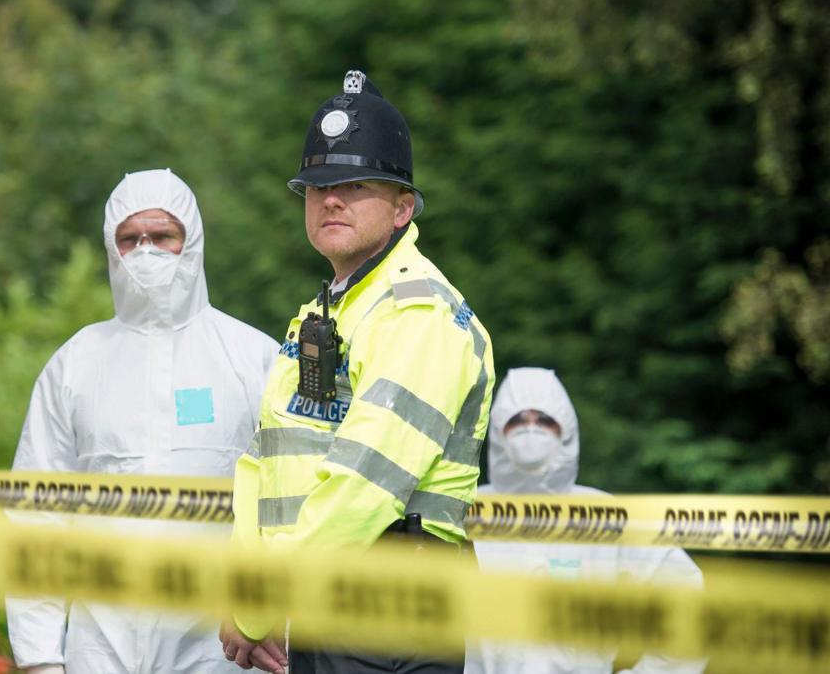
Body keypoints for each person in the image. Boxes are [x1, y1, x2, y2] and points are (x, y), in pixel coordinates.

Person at [220, 70, 495, 674]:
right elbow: (263, 461)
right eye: (316, 188)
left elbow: (366, 481)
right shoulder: (329, 310)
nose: (330, 200)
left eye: (354, 184)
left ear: (403, 208)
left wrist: (262, 602)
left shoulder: (419, 311)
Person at [6, 168, 278, 674]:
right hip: (100, 646)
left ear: (191, 241)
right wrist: (40, 656)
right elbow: (36, 517)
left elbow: (291, 506)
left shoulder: (254, 358)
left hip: (224, 647)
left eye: (162, 236)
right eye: (129, 239)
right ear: (111, 248)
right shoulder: (76, 364)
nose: (145, 251)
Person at [464, 367, 706, 674]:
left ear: (566, 430)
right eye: (517, 420)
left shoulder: (604, 515)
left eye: (544, 420)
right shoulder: (467, 512)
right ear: (498, 431)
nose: (531, 429)